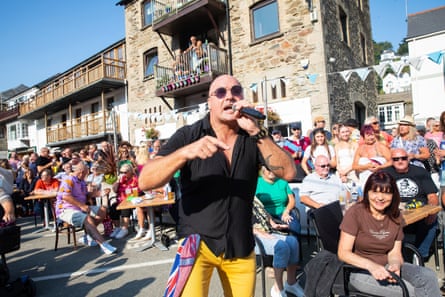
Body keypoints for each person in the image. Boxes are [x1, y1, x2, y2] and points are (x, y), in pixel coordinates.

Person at [138, 74, 296, 297]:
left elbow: (288, 172)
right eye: (221, 92)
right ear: (209, 102)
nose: (229, 96)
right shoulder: (189, 135)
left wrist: (256, 130)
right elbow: (145, 181)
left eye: (236, 91)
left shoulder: (253, 137)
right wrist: (185, 153)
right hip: (196, 244)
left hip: (240, 244)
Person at [338, 171, 440, 296]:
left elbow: (394, 251)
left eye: (386, 193)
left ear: (393, 194)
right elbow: (343, 252)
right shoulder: (355, 213)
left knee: (428, 277)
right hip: (360, 271)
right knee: (411, 291)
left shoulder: (395, 215)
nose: (380, 198)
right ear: (367, 193)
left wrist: (395, 265)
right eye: (375, 192)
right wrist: (372, 266)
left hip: (386, 265)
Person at [383, 148, 439, 260]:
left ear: (408, 159)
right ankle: (391, 254)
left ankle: (419, 255)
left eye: (403, 158)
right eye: (396, 159)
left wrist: (432, 211)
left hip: (419, 208)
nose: (400, 161)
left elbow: (432, 196)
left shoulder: (420, 172)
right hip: (396, 208)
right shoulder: (385, 174)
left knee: (431, 221)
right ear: (391, 161)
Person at [56, 162, 116, 254]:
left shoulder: (81, 181)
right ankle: (103, 244)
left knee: (102, 210)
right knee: (87, 218)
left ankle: (89, 235)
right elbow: (65, 196)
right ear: (81, 172)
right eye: (86, 173)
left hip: (80, 208)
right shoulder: (68, 180)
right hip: (67, 210)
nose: (87, 175)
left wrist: (100, 193)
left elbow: (86, 195)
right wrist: (82, 205)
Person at [252, 197, 304, 297]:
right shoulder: (234, 199)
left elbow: (264, 213)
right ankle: (278, 288)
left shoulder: (253, 197)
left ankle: (291, 283)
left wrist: (273, 224)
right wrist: (259, 232)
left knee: (293, 242)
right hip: (251, 237)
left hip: (266, 231)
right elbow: (235, 223)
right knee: (281, 247)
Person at [255, 166, 300, 237]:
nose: (272, 171)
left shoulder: (282, 181)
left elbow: (292, 200)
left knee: (294, 226)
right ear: (263, 170)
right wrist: (266, 217)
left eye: (275, 169)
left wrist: (286, 211)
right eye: (269, 169)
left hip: (283, 213)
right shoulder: (257, 183)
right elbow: (254, 203)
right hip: (264, 214)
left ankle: (294, 246)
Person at [110, 163, 139, 239]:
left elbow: (138, 191)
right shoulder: (121, 180)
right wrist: (117, 181)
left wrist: (131, 196)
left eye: (125, 172)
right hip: (120, 199)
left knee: (125, 207)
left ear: (130, 171)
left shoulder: (135, 179)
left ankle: (124, 229)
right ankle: (117, 228)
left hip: (131, 199)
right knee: (113, 207)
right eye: (121, 172)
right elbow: (115, 190)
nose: (123, 174)